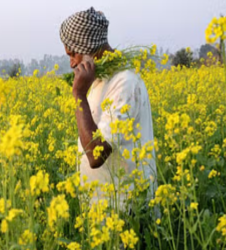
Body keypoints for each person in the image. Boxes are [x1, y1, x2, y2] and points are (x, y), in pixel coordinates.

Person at [59, 7, 157, 209]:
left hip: (127, 211)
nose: (72, 63)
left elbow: (96, 155)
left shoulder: (125, 83)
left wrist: (78, 95)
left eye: (73, 53)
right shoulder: (97, 80)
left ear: (88, 45)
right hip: (102, 209)